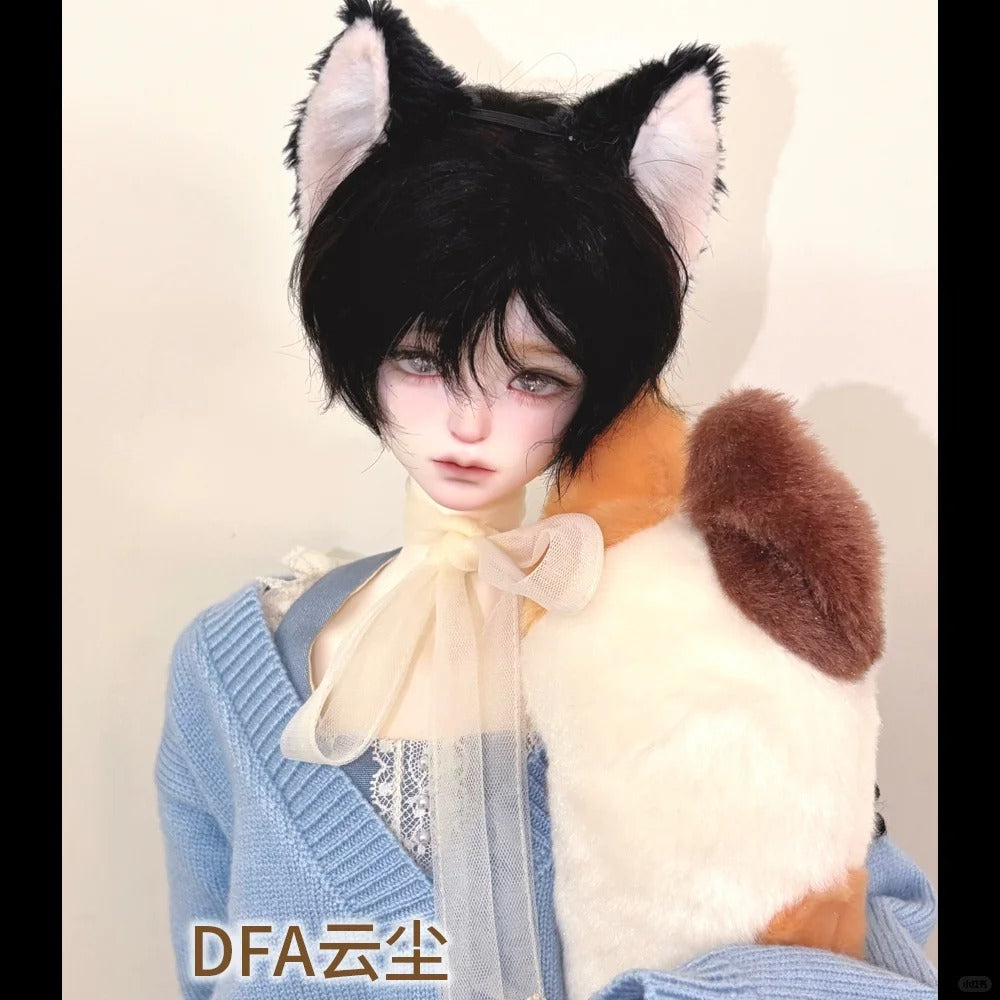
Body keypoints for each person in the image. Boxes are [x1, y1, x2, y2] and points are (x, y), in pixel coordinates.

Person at [155, 2, 938, 997]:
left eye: (535, 376)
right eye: (420, 359)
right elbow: (213, 962)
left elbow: (864, 931)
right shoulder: (229, 669)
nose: (469, 423)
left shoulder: (698, 634)